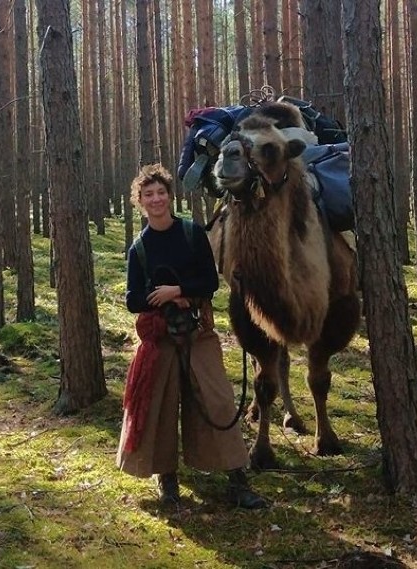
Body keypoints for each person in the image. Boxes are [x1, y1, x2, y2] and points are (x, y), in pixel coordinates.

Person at [116, 163, 267, 510]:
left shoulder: (191, 234)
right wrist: (161, 297)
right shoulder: (138, 249)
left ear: (170, 196)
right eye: (148, 194)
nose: (156, 199)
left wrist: (180, 290)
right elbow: (132, 299)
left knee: (217, 401)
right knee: (161, 408)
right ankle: (167, 481)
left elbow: (210, 282)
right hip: (161, 339)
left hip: (198, 332)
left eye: (161, 192)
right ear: (139, 201)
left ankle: (236, 479)